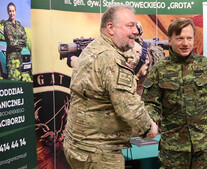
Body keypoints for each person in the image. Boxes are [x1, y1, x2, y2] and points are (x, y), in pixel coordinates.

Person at [63, 4, 158, 169]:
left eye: (136, 26)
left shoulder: (93, 48)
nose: (136, 31)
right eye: (130, 26)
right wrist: (149, 127)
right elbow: (128, 106)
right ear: (110, 28)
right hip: (99, 154)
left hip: (78, 148)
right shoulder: (110, 59)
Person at [142, 18, 207, 169]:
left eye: (189, 38)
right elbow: (150, 102)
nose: (186, 43)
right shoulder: (159, 69)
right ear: (170, 40)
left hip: (204, 148)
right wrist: (150, 121)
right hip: (173, 149)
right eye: (180, 39)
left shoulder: (206, 65)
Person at [4, 2, 27, 81]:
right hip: (11, 60)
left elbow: (25, 39)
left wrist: (17, 42)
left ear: (15, 12)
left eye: (13, 11)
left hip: (19, 59)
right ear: (8, 12)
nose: (11, 13)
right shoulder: (7, 25)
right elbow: (11, 42)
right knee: (12, 82)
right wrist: (20, 44)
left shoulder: (19, 24)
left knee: (19, 83)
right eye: (10, 11)